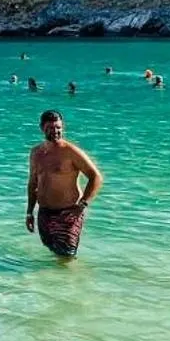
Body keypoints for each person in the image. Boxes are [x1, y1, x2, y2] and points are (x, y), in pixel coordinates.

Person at [26, 110, 103, 259]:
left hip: (68, 213)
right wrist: (29, 212)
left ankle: (76, 281)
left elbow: (96, 177)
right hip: (44, 213)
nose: (55, 131)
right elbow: (32, 183)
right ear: (42, 128)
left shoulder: (71, 152)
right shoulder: (36, 153)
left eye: (58, 128)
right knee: (54, 255)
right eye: (50, 128)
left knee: (66, 258)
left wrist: (83, 204)